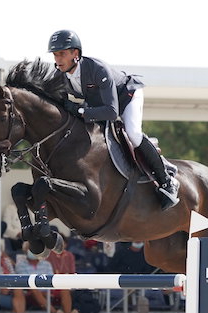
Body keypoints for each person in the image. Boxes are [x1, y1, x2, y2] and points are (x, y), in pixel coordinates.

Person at [48, 29, 179, 210]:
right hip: (100, 105)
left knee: (133, 133)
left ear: (75, 54)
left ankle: (167, 180)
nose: (58, 59)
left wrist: (79, 110)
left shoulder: (97, 69)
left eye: (62, 54)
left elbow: (111, 112)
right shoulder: (60, 76)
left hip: (127, 97)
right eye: (55, 54)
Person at [15, 241, 54, 311]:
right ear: (25, 251)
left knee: (64, 290)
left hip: (47, 290)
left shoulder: (47, 264)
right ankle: (55, 312)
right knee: (33, 288)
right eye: (30, 249)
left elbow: (51, 280)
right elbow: (26, 282)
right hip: (30, 292)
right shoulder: (20, 265)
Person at [47, 234, 78, 313]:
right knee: (64, 289)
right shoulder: (49, 255)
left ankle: (70, 312)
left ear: (66, 244)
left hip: (67, 282)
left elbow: (72, 272)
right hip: (54, 282)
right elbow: (48, 271)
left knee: (70, 289)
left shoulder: (69, 255)